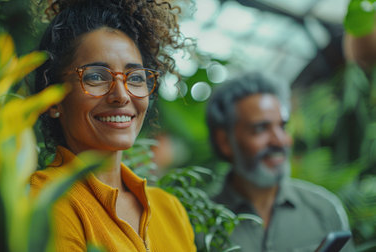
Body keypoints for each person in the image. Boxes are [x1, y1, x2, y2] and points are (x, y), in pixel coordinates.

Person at [29, 0, 196, 251]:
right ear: (54, 99)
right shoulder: (45, 199)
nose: (122, 95)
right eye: (96, 76)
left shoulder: (170, 210)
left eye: (136, 77)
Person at [206, 72, 355, 252]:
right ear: (225, 141)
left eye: (283, 126)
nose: (280, 140)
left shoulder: (324, 210)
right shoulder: (199, 222)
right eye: (260, 129)